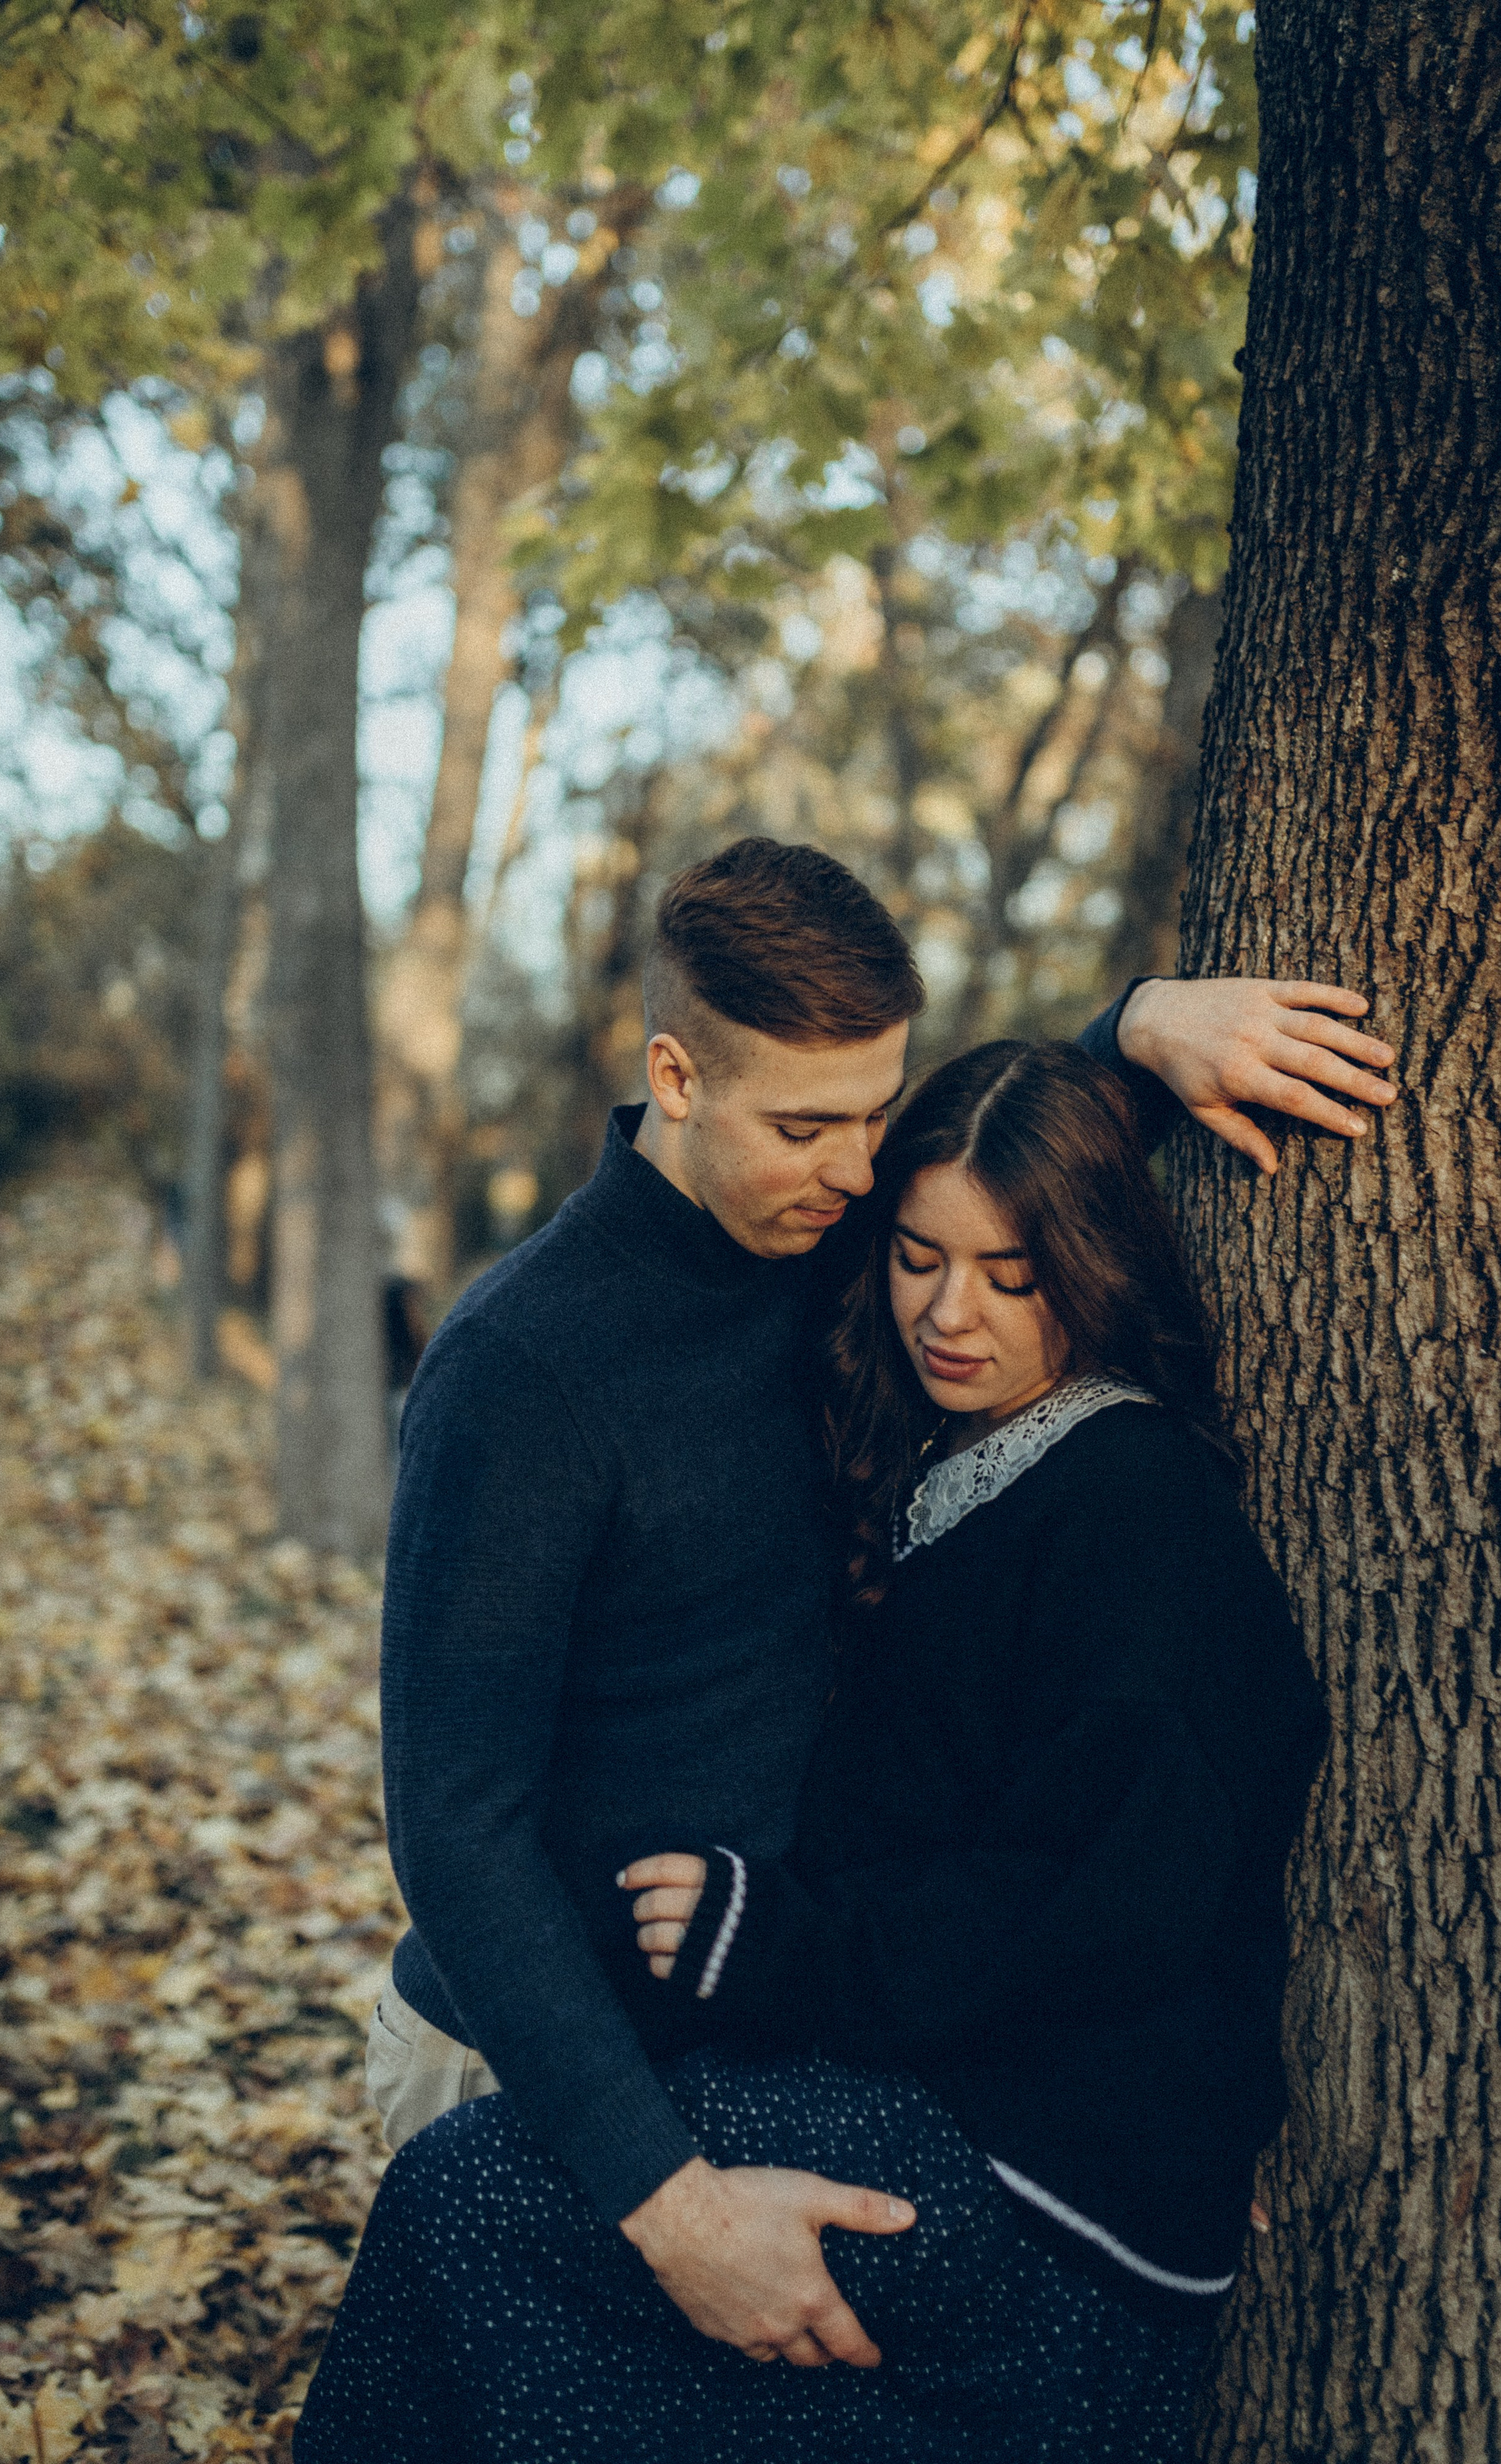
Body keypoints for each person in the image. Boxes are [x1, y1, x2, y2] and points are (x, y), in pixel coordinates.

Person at [352, 838, 1393, 2374]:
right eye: (807, 1128)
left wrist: (1137, 1032)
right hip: (542, 2073)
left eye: (871, 1117)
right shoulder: (521, 1370)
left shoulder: (830, 1243)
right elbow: (452, 1818)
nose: (854, 1175)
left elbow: (999, 1195)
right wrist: (665, 2199)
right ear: (676, 1078)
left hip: (778, 2047)